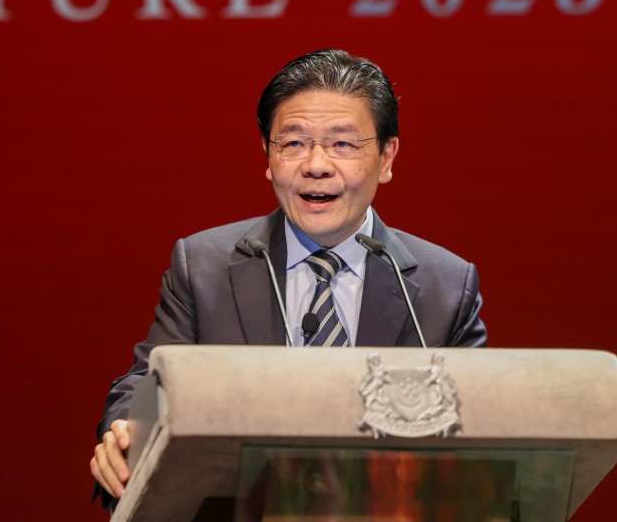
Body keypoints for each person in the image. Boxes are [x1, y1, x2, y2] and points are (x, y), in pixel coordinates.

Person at [90, 48, 487, 505]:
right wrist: (124, 429)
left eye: (343, 143)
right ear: (267, 155)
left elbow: (473, 434)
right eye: (293, 143)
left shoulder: (446, 287)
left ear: (386, 156)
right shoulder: (203, 266)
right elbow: (149, 382)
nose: (316, 165)